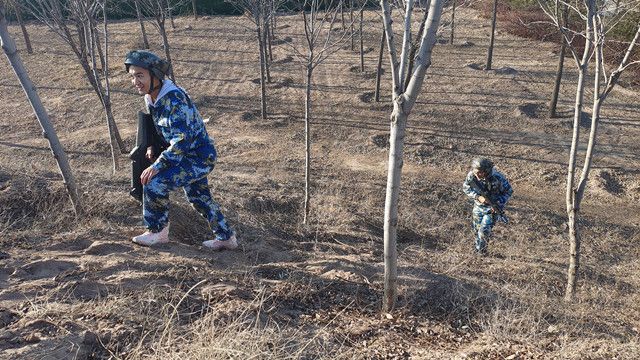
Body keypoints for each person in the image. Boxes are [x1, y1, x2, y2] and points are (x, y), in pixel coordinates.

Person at [125, 50, 237, 251]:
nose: (135, 81)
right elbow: (161, 128)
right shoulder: (152, 97)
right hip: (187, 156)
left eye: (140, 75)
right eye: (132, 76)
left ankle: (157, 232)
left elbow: (181, 140)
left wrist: (158, 165)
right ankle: (226, 237)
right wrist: (151, 144)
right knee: (199, 197)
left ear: (155, 75)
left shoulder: (174, 99)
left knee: (154, 182)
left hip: (197, 157)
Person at [462, 158, 512, 255]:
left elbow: (509, 191)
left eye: (480, 172)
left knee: (484, 230)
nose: (477, 175)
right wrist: (477, 197)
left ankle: (481, 252)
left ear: (486, 171)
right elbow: (466, 187)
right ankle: (478, 249)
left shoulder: (498, 178)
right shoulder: (472, 175)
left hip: (492, 209)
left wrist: (498, 202)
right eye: (476, 172)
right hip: (478, 207)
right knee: (476, 230)